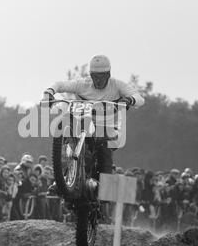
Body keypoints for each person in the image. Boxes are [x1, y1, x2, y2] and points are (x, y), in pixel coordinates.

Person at [42, 54, 145, 185]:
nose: (98, 80)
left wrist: (129, 100)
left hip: (109, 129)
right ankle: (62, 179)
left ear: (108, 74)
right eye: (95, 76)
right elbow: (60, 84)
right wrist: (49, 92)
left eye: (102, 76)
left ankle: (105, 187)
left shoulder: (117, 85)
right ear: (90, 75)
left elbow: (140, 98)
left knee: (103, 143)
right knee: (69, 137)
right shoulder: (82, 84)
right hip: (84, 124)